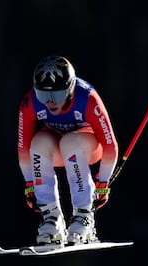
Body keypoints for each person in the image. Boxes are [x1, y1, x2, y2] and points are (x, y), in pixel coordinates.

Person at [17, 55, 119, 245]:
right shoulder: (30, 102)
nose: (49, 102)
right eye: (43, 95)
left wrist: (103, 182)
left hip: (87, 146)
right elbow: (23, 150)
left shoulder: (87, 98)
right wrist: (30, 184)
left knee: (70, 144)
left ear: (70, 89)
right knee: (38, 143)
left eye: (56, 95)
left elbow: (110, 147)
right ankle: (51, 219)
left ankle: (83, 217)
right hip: (58, 147)